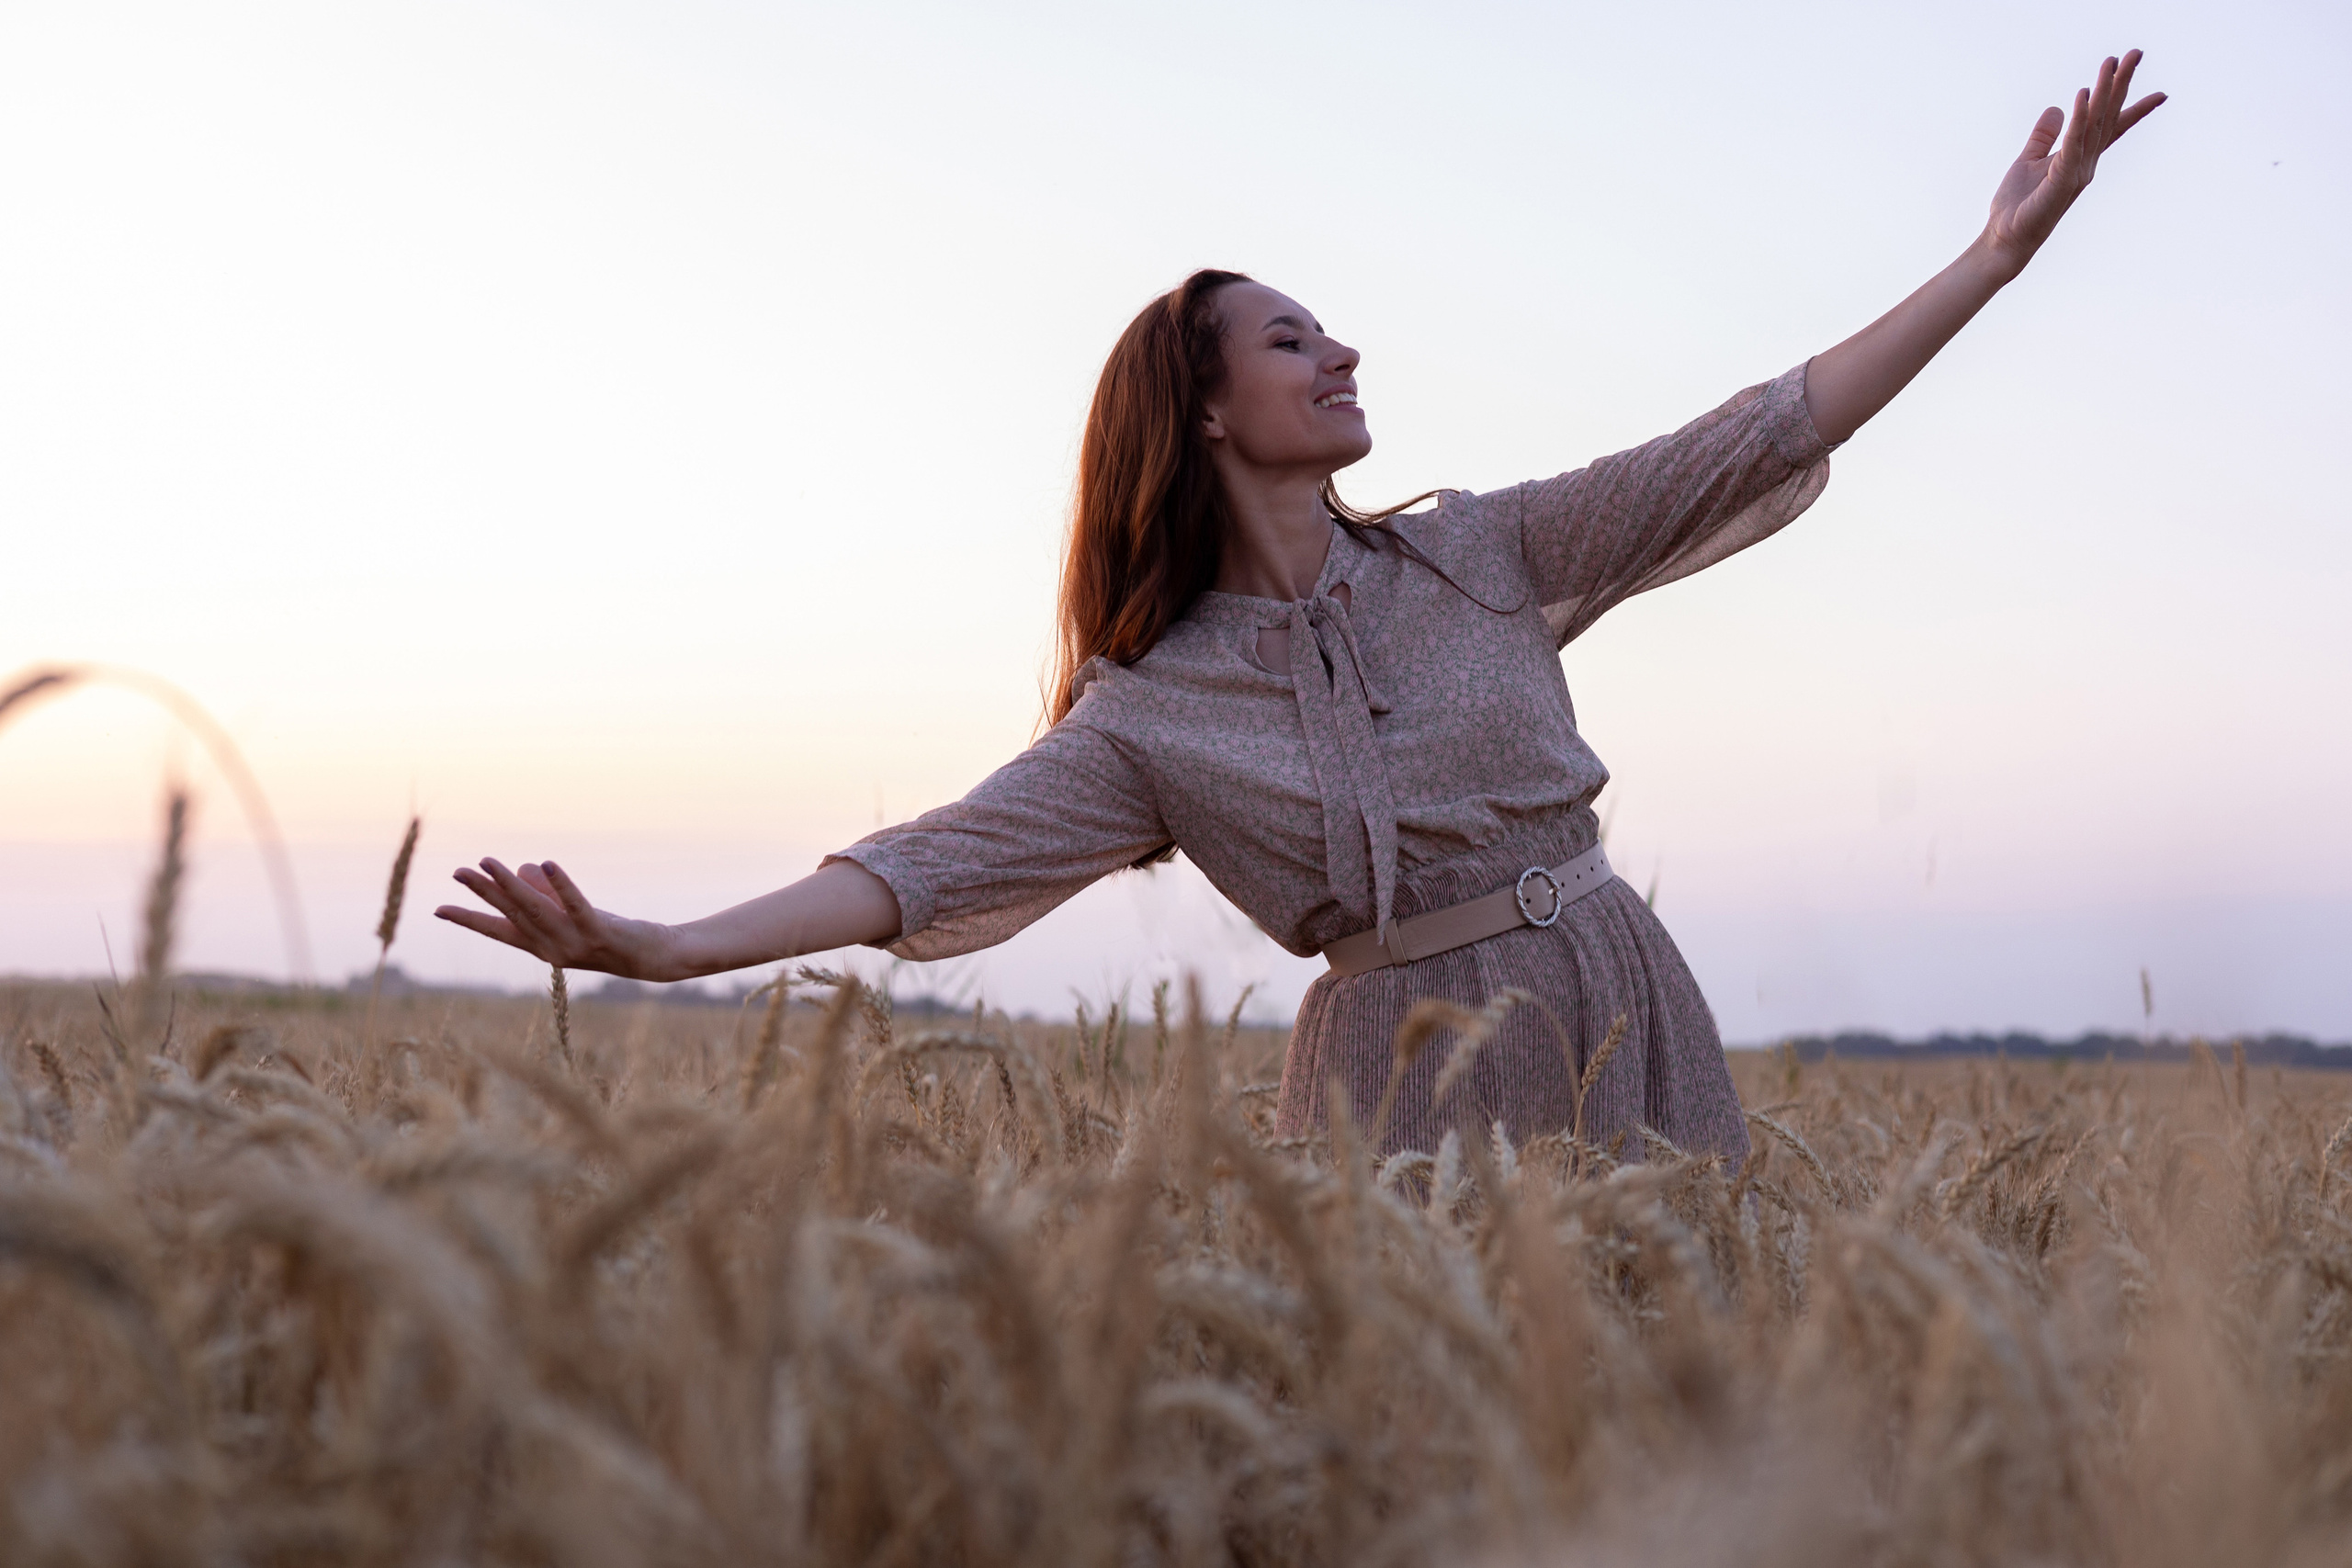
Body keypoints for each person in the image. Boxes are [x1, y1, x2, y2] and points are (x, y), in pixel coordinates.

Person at [438, 52, 2164, 1158]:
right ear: (1201, 411)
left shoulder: (1481, 551)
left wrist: (1993, 260)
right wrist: (661, 946)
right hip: (1394, 1074)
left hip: (1621, 1009)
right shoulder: (1148, 712)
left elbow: (1754, 434)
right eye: (1290, 338)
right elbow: (923, 865)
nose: (1341, 351)